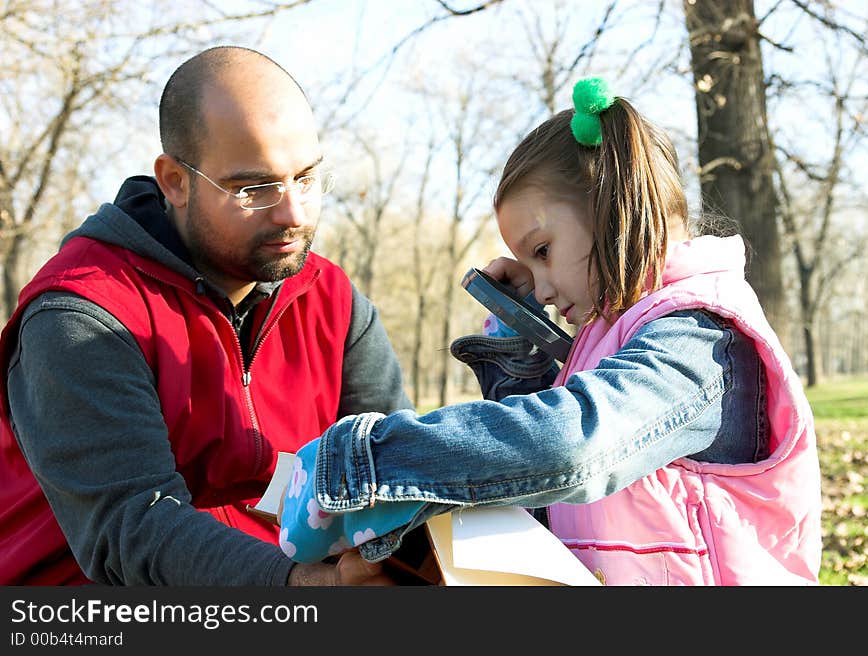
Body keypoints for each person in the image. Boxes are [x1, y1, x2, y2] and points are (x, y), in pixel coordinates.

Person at [276, 77, 823, 585]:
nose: (540, 287)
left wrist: (371, 461)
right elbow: (537, 490)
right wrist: (520, 341)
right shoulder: (614, 336)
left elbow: (570, 446)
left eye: (542, 252)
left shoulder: (701, 338)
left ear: (613, 206)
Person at [0, 45, 411, 586]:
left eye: (306, 178)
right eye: (253, 188)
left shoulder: (329, 297)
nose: (294, 214)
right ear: (174, 180)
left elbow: (397, 471)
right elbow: (133, 527)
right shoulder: (83, 316)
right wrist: (307, 589)